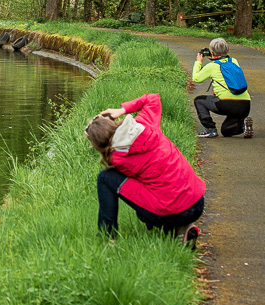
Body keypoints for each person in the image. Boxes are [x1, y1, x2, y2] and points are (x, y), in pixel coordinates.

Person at [85, 93, 205, 243]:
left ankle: (106, 237)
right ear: (113, 123)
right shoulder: (144, 123)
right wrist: (122, 110)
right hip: (197, 202)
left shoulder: (117, 158)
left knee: (105, 178)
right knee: (154, 193)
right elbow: (153, 98)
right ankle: (181, 230)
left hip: (174, 211)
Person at [192, 37, 252, 138]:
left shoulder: (212, 66)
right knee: (226, 131)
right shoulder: (233, 61)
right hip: (245, 105)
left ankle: (210, 129)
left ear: (212, 52)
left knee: (199, 100)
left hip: (226, 103)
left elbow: (196, 79)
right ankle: (243, 126)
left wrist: (199, 61)